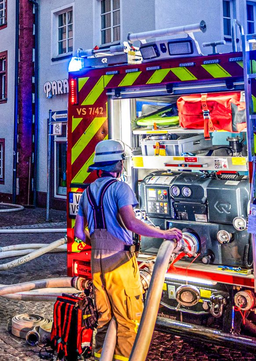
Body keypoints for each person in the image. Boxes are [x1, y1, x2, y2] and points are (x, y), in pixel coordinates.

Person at [73, 139, 183, 361]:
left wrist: (98, 241)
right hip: (120, 262)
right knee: (128, 318)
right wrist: (165, 234)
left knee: (103, 317)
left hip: (98, 263)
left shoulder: (87, 193)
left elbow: (78, 233)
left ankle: (99, 356)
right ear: (118, 165)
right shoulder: (121, 189)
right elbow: (132, 223)